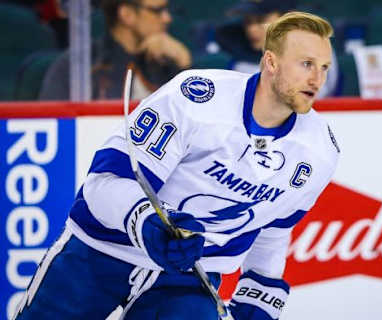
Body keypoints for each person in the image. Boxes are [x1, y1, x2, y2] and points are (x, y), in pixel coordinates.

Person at [14, 11, 340, 320]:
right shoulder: (197, 99)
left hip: (187, 278)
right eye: (306, 64)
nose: (317, 79)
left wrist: (260, 291)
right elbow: (103, 184)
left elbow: (273, 228)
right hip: (100, 252)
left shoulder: (319, 151)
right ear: (271, 61)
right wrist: (147, 224)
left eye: (324, 67)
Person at [39, 0, 191, 100]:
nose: (167, 18)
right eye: (158, 11)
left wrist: (185, 70)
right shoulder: (78, 65)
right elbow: (54, 123)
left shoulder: (168, 61)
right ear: (127, 14)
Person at [216, 0, 340, 97]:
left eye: (261, 20)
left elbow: (317, 95)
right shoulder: (240, 59)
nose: (251, 29)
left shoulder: (318, 47)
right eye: (248, 21)